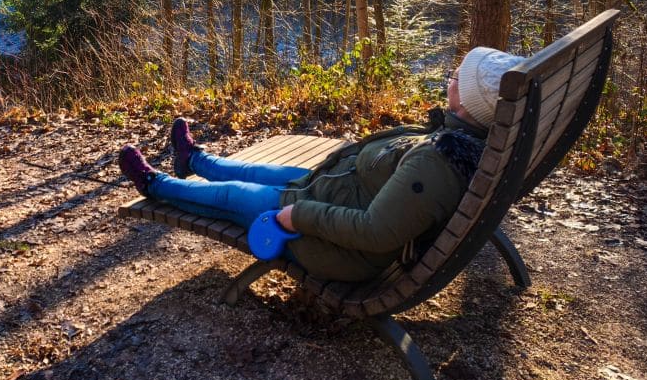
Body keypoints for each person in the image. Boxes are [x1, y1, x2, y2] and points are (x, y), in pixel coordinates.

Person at [118, 46, 524, 282]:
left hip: (334, 245)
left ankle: (155, 184)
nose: (450, 78)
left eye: (457, 78)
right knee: (257, 171)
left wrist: (299, 216)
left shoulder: (437, 162)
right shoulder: (454, 139)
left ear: (469, 102)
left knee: (229, 196)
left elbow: (375, 232)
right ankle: (195, 160)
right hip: (341, 190)